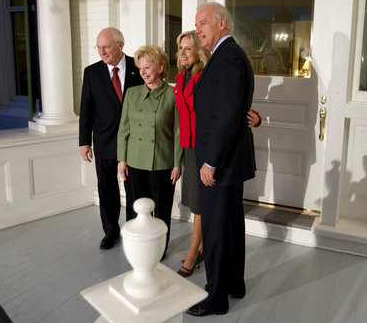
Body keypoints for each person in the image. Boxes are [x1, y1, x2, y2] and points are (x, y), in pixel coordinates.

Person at [186, 3, 256, 317]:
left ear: (222, 23)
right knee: (230, 225)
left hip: (221, 163)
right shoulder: (227, 56)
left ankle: (216, 297)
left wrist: (210, 162)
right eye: (196, 24)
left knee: (216, 229)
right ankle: (234, 285)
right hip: (229, 162)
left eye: (202, 23)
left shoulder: (227, 58)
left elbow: (226, 116)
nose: (197, 29)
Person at [173, 31, 261, 278]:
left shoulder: (207, 71)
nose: (182, 52)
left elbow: (226, 108)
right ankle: (202, 253)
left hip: (210, 150)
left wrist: (254, 118)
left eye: (188, 48)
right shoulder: (180, 79)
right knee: (196, 204)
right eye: (180, 48)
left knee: (208, 210)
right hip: (190, 147)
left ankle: (196, 254)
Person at [79, 27, 143, 250]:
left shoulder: (139, 66)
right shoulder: (91, 72)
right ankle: (111, 232)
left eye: (106, 47)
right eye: (98, 47)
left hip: (134, 142)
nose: (102, 52)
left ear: (120, 46)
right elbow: (86, 109)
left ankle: (134, 231)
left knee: (133, 187)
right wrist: (84, 141)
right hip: (104, 141)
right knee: (107, 188)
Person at [117, 45, 183, 256]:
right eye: (140, 68)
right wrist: (122, 159)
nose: (143, 72)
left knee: (161, 210)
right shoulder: (132, 93)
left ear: (161, 68)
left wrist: (177, 163)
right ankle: (137, 248)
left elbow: (179, 132)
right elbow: (124, 128)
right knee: (136, 208)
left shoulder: (173, 94)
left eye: (147, 67)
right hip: (134, 161)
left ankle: (158, 249)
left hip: (162, 163)